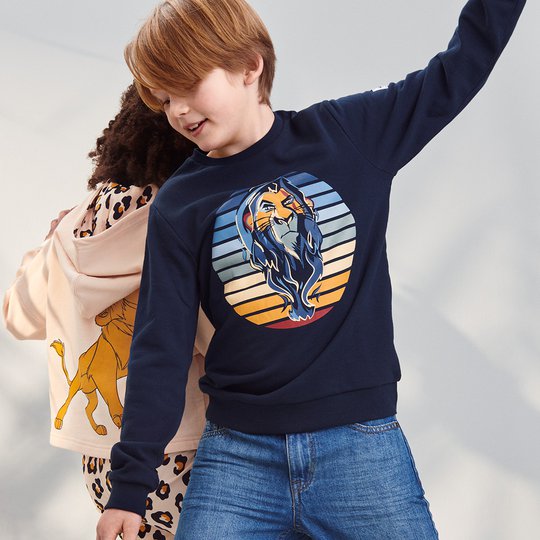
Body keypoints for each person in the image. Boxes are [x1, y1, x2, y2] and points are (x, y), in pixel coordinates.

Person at [96, 0, 527, 538]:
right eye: (164, 99)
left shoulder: (346, 136)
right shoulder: (180, 203)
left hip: (361, 447)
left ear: (249, 66)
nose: (178, 111)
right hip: (237, 455)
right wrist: (130, 487)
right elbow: (160, 346)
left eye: (187, 86)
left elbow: (459, 68)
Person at [3, 84, 215, 540]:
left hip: (103, 466)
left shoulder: (73, 226)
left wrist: (46, 245)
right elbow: (221, 340)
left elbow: (18, 317)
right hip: (188, 450)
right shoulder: (185, 221)